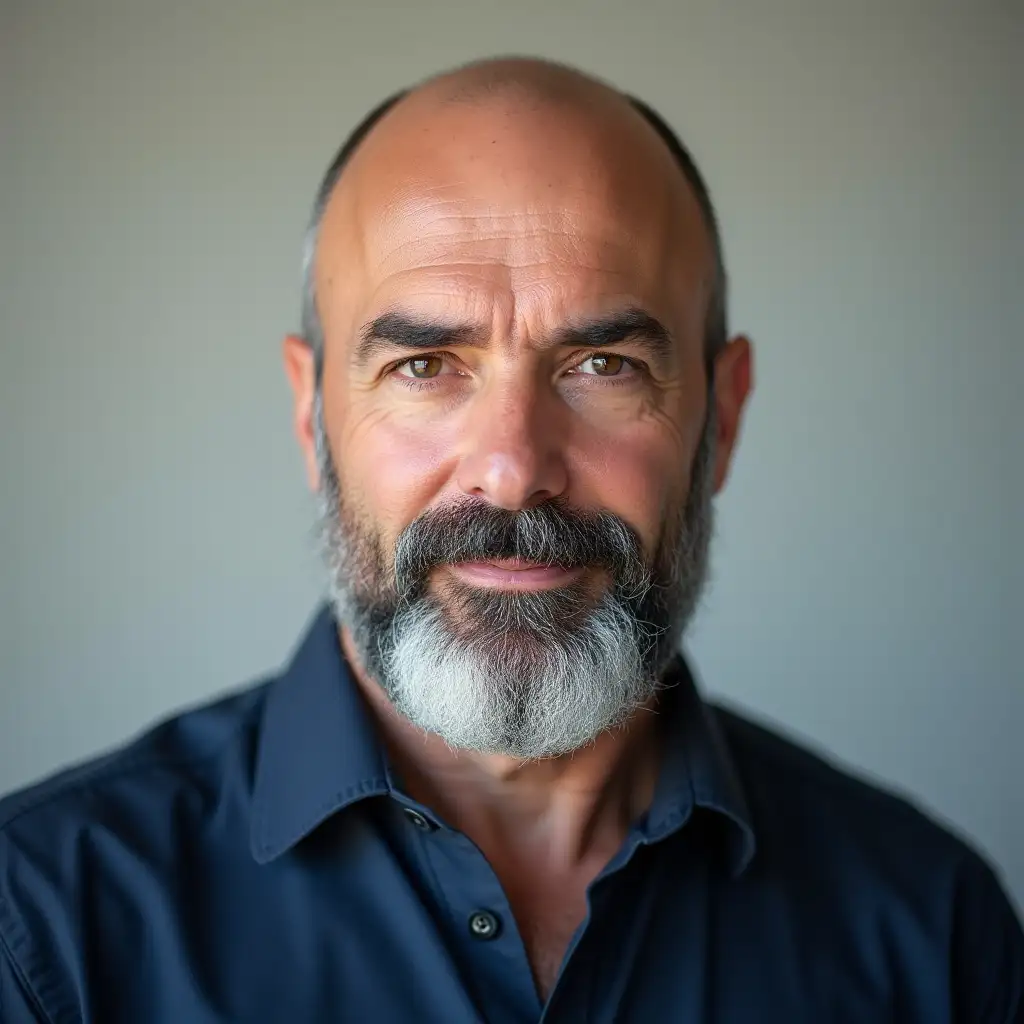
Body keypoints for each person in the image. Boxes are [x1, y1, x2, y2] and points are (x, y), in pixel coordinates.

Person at [0, 56, 1020, 1023]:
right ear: (313, 415)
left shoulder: (932, 935)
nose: (513, 464)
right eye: (425, 365)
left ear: (725, 414)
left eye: (604, 364)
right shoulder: (46, 934)